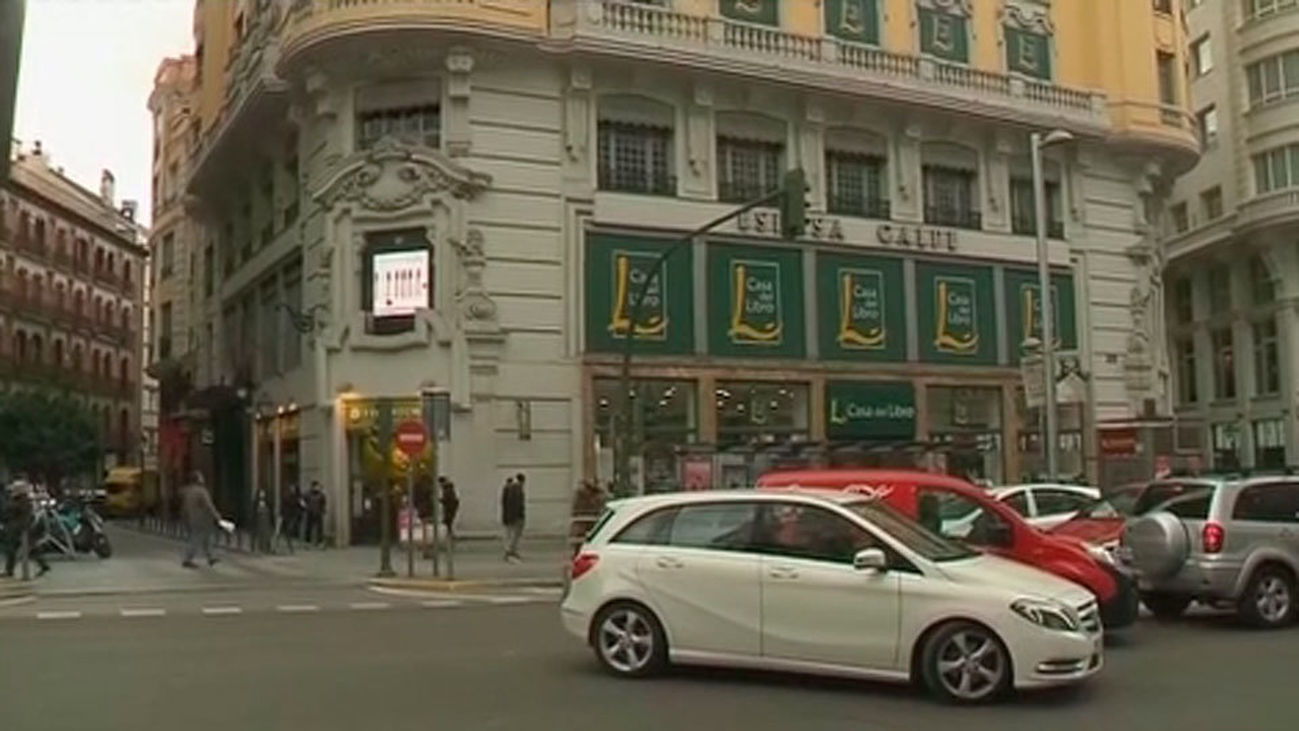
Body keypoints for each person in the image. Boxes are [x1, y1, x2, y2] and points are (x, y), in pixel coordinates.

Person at [3, 481, 50, 578]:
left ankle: (9, 570)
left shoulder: (21, 502)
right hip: (24, 528)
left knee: (14, 548)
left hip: (21, 529)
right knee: (30, 548)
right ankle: (43, 565)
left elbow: (18, 515)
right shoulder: (24, 501)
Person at [180, 471, 221, 569]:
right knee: (196, 539)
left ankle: (211, 557)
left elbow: (185, 507)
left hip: (192, 518)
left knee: (206, 538)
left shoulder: (188, 491)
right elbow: (209, 505)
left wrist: (185, 518)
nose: (203, 479)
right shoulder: (201, 491)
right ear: (198, 479)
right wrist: (217, 516)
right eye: (201, 477)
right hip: (203, 519)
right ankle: (187, 559)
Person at [569, 480, 607, 554]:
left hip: (590, 520)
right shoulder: (582, 495)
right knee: (580, 539)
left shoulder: (595, 496)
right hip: (583, 521)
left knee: (587, 539)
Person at [500, 475, 525, 562]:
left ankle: (510, 551)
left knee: (510, 534)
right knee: (514, 535)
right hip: (515, 517)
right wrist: (518, 516)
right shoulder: (516, 489)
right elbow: (517, 504)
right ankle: (510, 551)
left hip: (509, 516)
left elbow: (504, 503)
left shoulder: (508, 488)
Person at [278, 485, 304, 554]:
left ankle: (290, 547)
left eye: (294, 489)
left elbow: (302, 506)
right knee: (286, 531)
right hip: (287, 516)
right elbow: (284, 505)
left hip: (292, 516)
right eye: (292, 488)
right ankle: (288, 547)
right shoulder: (288, 496)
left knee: (288, 531)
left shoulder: (297, 497)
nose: (292, 490)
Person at [304, 481, 327, 548]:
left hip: (318, 513)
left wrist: (323, 510)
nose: (317, 488)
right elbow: (302, 501)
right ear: (312, 487)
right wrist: (305, 507)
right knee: (308, 528)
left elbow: (323, 503)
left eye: (318, 486)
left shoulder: (321, 495)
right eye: (316, 486)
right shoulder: (307, 494)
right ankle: (307, 542)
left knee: (320, 529)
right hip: (310, 513)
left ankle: (320, 542)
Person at [253, 487, 273, 553]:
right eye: (261, 493)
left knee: (267, 534)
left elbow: (270, 510)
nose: (262, 494)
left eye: (263, 493)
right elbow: (254, 510)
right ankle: (261, 547)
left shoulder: (267, 501)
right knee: (260, 534)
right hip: (259, 520)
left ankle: (267, 547)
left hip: (266, 520)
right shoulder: (256, 501)